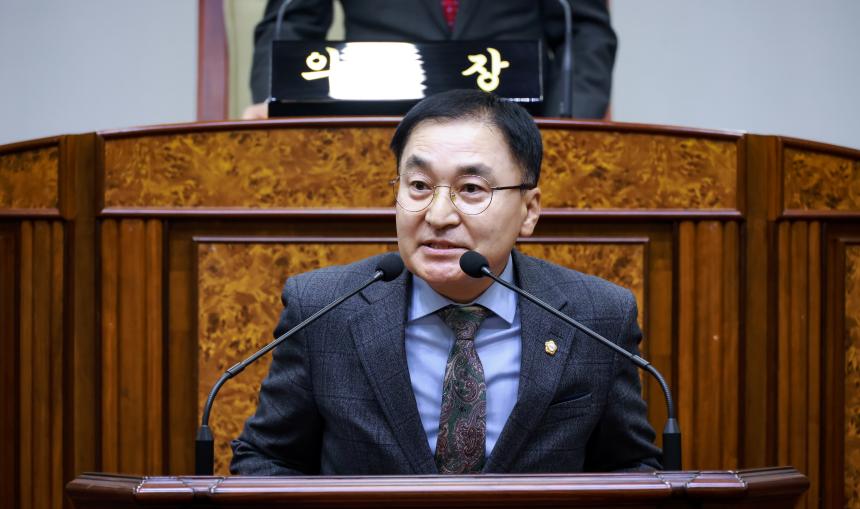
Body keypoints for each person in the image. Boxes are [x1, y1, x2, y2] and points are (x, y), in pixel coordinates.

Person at [231, 89, 661, 475]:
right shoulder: (323, 308)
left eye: (471, 189)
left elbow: (631, 469)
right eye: (419, 186)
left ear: (529, 210)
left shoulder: (596, 317)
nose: (438, 216)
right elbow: (266, 459)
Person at [244, 0, 617, 120]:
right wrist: (274, 103)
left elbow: (583, 29)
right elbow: (291, 21)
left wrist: (567, 126)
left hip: (518, 126)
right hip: (374, 128)